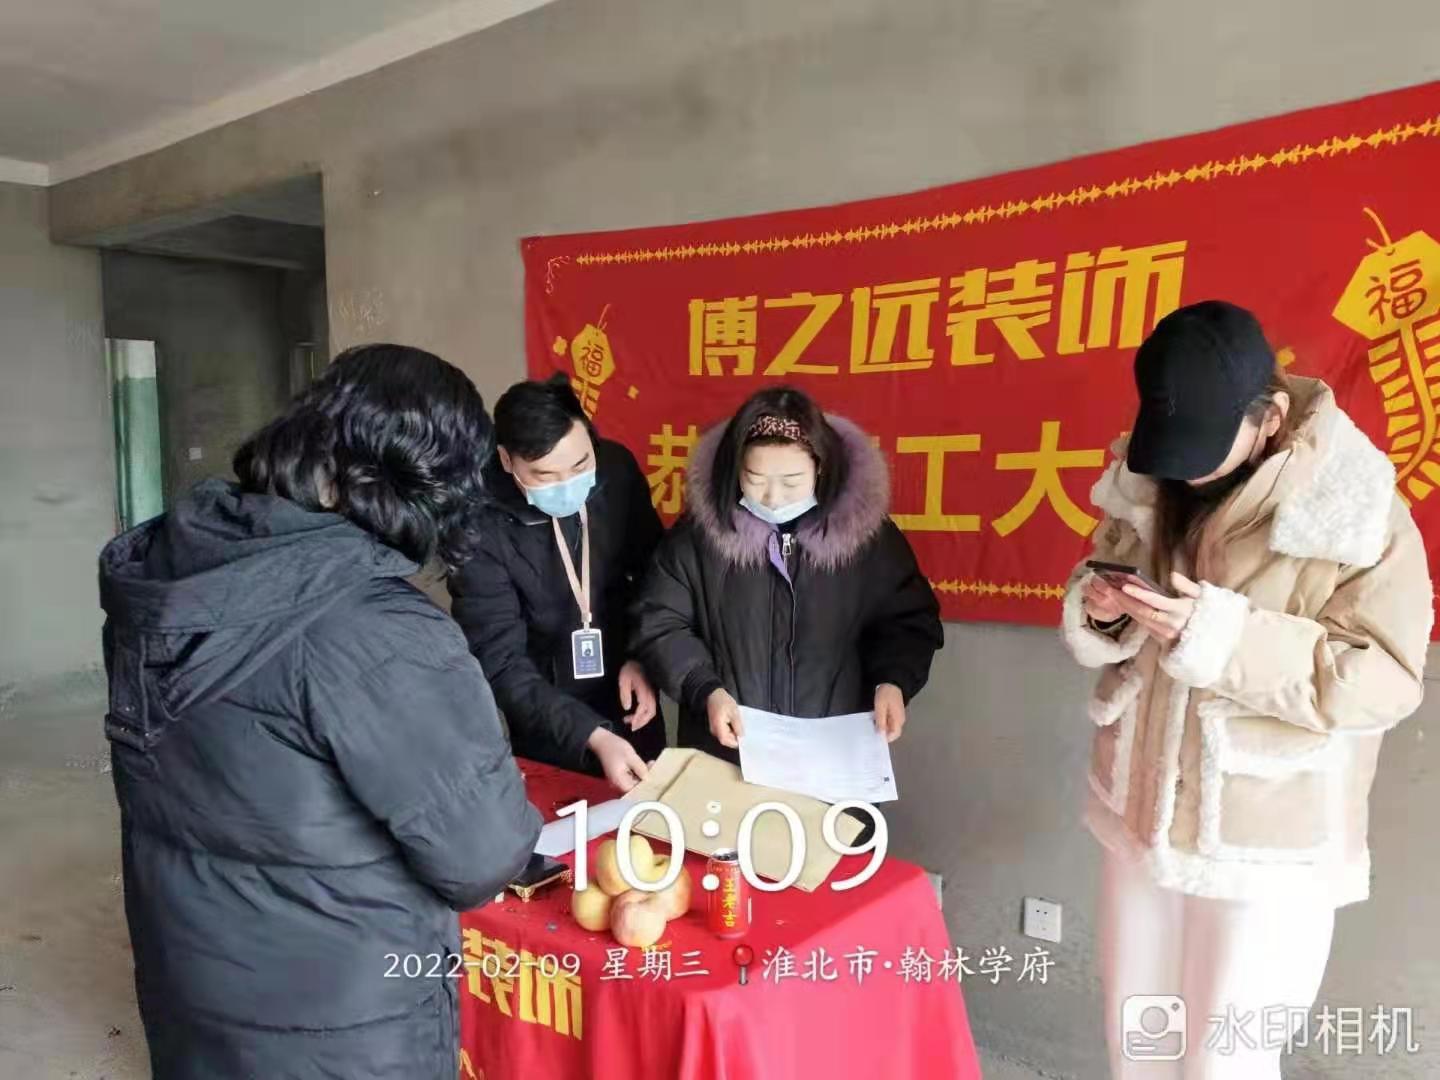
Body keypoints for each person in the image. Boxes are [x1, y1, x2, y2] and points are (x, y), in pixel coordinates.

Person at [99, 345, 542, 1080]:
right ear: (433, 483)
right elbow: (481, 857)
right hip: (345, 1026)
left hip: (194, 992)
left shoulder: (171, 570)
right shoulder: (379, 632)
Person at [1062, 301, 1430, 1079]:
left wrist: (1223, 639)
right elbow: (1110, 561)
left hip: (1266, 839)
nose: (1182, 470)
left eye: (1202, 447)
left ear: (1269, 418)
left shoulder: (1356, 509)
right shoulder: (1149, 476)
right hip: (1141, 814)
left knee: (1225, 1058)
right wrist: (1106, 611)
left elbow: (1384, 681)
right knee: (1138, 1042)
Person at [630, 386, 943, 762]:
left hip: (833, 751)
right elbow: (660, 622)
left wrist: (893, 681)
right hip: (726, 746)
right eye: (755, 479)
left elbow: (908, 621)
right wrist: (705, 689)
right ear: (735, 468)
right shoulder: (698, 537)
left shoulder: (865, 537)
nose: (773, 497)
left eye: (792, 481)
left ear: (820, 467)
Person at [449, 375, 665, 792]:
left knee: (647, 807)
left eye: (580, 465)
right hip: (543, 706)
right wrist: (592, 735)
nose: (568, 484)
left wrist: (643, 655)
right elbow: (500, 660)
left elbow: (655, 575)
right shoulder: (477, 521)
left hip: (630, 688)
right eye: (545, 475)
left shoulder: (616, 469)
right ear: (506, 460)